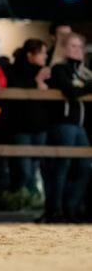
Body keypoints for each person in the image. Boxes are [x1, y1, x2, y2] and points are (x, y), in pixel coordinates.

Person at [43, 32, 92, 222]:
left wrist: (86, 86)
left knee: (84, 166)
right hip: (63, 124)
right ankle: (55, 210)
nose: (77, 50)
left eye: (80, 46)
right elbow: (70, 91)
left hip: (80, 126)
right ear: (64, 49)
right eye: (72, 46)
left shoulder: (83, 71)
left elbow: (79, 89)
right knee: (61, 167)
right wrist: (88, 87)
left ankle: (71, 207)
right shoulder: (59, 69)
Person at [1, 39, 50, 208]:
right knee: (23, 170)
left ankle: (31, 203)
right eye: (42, 52)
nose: (45, 56)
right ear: (31, 55)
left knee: (35, 168)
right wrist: (36, 82)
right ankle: (17, 202)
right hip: (20, 128)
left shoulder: (45, 72)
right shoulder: (14, 70)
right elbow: (14, 89)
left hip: (40, 128)